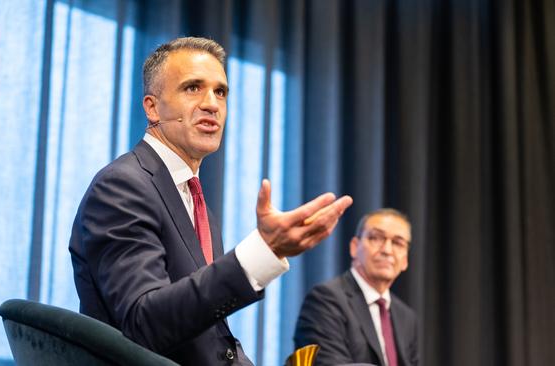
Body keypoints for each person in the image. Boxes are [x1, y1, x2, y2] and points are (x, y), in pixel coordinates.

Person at [69, 37, 353, 366]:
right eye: (193, 88)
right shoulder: (121, 187)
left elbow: (207, 336)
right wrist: (261, 251)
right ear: (152, 107)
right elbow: (145, 322)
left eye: (221, 92)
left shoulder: (193, 200)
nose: (212, 104)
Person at [294, 208, 419, 366]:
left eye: (397, 243)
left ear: (405, 260)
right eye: (376, 238)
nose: (387, 250)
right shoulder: (325, 300)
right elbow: (328, 363)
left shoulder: (406, 317)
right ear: (354, 246)